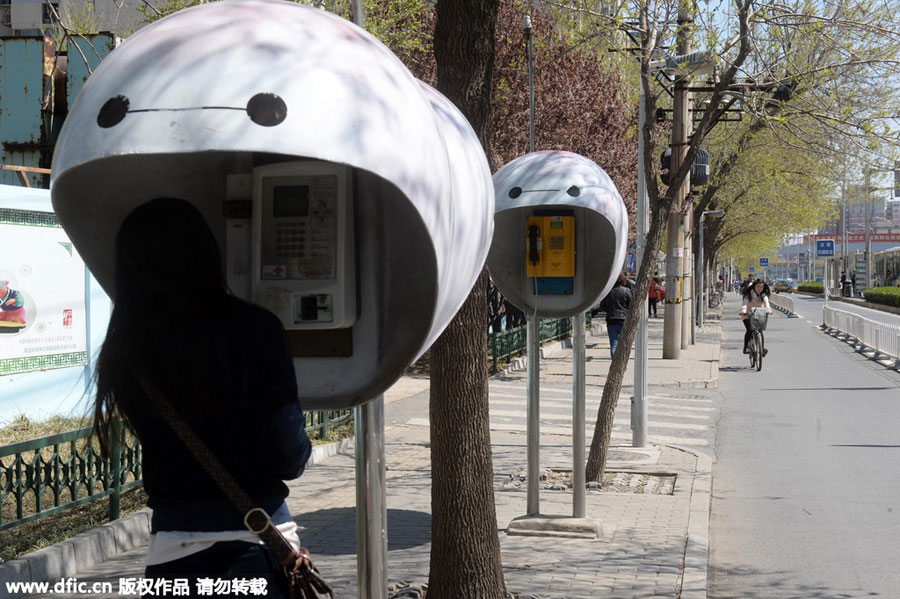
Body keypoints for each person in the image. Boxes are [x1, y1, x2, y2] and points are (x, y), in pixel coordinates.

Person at [92, 198, 312, 597]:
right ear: (206, 254)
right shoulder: (256, 330)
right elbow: (289, 456)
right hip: (256, 550)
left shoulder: (126, 349)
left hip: (170, 559)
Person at [600, 272, 632, 358]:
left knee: (614, 344)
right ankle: (621, 362)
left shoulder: (607, 292)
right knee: (624, 345)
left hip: (611, 320)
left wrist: (610, 309)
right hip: (623, 320)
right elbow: (631, 306)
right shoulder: (627, 291)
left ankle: (614, 363)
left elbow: (602, 307)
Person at [739, 278, 773, 355]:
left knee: (760, 331)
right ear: (754, 286)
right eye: (758, 287)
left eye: (761, 287)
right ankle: (746, 348)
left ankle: (762, 349)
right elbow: (745, 303)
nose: (759, 289)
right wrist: (744, 310)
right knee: (749, 330)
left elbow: (766, 302)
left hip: (758, 314)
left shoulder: (763, 294)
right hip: (747, 315)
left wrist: (768, 309)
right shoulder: (749, 294)